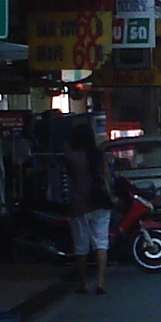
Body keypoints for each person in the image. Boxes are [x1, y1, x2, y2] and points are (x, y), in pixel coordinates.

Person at [60, 119, 112, 294]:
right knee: (101, 243)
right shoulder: (99, 155)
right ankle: (101, 282)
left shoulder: (72, 157)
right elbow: (107, 179)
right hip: (100, 203)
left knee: (81, 246)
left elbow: (67, 170)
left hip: (79, 204)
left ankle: (83, 283)